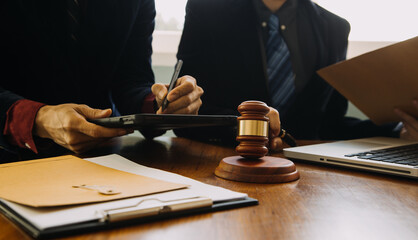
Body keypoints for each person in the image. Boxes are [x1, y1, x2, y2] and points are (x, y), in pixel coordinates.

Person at [176, 0, 417, 149]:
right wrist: (248, 127)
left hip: (307, 178)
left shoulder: (334, 28)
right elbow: (184, 112)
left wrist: (398, 132)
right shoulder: (205, 10)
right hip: (222, 162)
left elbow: (328, 125)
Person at [0, 0, 203, 162]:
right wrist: (40, 118)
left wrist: (161, 105)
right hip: (7, 162)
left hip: (104, 160)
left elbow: (131, 79)